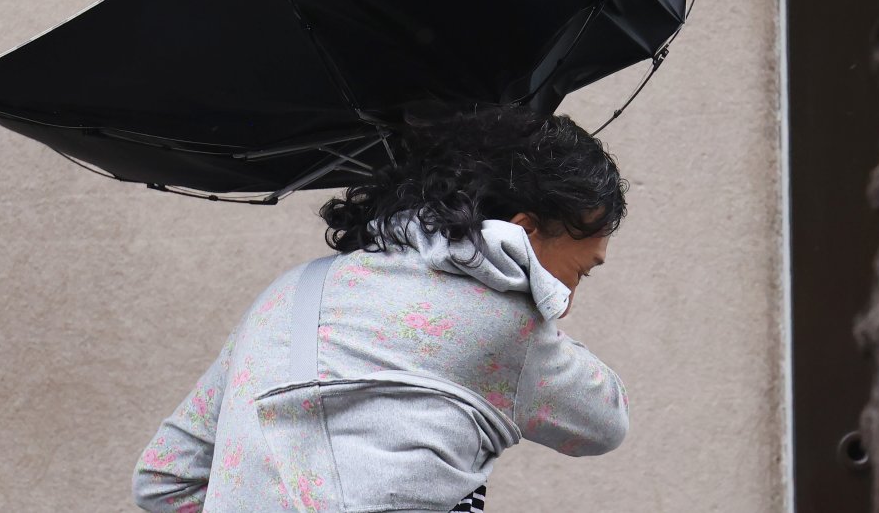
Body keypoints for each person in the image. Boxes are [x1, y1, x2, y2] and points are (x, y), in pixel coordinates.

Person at [132, 104, 631, 512]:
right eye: (580, 271)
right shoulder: (502, 323)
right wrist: (533, 301)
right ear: (521, 232)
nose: (570, 299)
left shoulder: (284, 297)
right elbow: (604, 422)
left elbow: (165, 479)